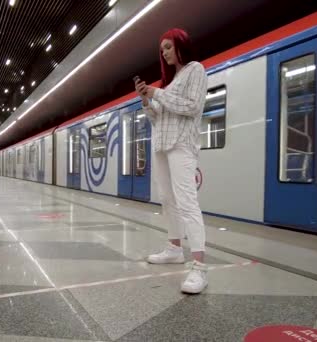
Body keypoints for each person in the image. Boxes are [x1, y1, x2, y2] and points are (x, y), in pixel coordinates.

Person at [134, 28, 208, 294]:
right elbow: (159, 119)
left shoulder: (195, 70)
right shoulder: (170, 82)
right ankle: (175, 249)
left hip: (182, 145)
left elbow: (192, 107)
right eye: (162, 49)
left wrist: (157, 94)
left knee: (187, 201)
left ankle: (199, 267)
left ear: (180, 45)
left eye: (168, 47)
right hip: (163, 146)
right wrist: (146, 101)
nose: (164, 52)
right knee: (168, 199)